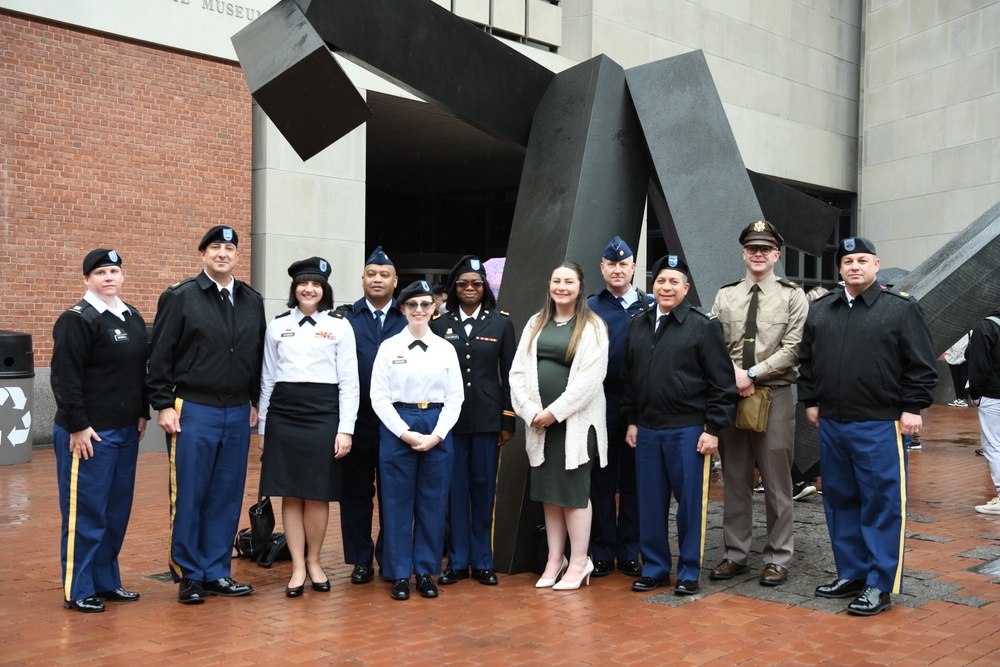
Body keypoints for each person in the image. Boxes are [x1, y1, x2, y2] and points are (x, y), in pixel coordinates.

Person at [798, 237, 936, 616]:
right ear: (839, 269)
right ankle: (852, 572)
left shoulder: (900, 310)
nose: (854, 266)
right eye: (847, 261)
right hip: (833, 424)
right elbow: (806, 360)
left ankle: (880, 583)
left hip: (880, 423)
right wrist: (810, 400)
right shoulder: (822, 310)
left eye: (861, 260)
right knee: (840, 501)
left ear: (876, 265)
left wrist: (912, 407)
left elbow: (921, 365)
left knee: (881, 504)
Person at [147, 225, 266, 605]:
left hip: (235, 411)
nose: (222, 253)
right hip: (193, 408)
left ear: (236, 256)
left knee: (227, 494)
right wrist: (163, 403)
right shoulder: (181, 297)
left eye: (229, 248)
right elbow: (160, 355)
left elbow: (256, 354)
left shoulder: (251, 300)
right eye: (215, 247)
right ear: (203, 254)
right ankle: (188, 574)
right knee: (191, 492)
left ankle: (216, 571)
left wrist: (253, 400)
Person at [622, 255, 735, 596]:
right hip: (647, 429)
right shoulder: (638, 323)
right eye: (660, 281)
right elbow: (629, 379)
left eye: (674, 282)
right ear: (652, 285)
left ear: (686, 288)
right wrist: (631, 421)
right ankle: (655, 568)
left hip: (688, 430)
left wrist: (714, 429)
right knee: (650, 502)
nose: (666, 287)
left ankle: (688, 572)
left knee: (690, 505)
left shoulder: (703, 325)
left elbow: (722, 383)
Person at [709, 221, 807, 587]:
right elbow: (713, 343)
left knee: (777, 481)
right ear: (744, 253)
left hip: (774, 395)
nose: (758, 254)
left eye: (765, 249)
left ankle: (778, 557)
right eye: (752, 248)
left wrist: (752, 374)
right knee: (735, 479)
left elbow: (794, 346)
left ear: (776, 255)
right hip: (732, 396)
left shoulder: (792, 295)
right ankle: (735, 554)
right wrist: (735, 376)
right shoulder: (726, 296)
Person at [51, 249, 149, 613]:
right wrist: (77, 425)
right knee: (86, 512)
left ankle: (106, 581)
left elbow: (138, 372)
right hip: (88, 435)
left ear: (123, 276)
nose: (109, 277)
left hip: (124, 431)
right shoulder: (77, 320)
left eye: (114, 271)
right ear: (87, 280)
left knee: (115, 511)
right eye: (100, 272)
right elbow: (64, 376)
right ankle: (78, 589)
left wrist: (141, 413)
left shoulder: (132, 316)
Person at [257, 257, 360, 597]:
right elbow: (268, 378)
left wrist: (345, 429)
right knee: (290, 490)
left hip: (323, 415)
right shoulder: (278, 325)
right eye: (303, 283)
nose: (309, 289)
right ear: (294, 289)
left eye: (315, 284)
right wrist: (263, 429)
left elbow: (349, 383)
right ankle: (298, 567)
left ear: (324, 290)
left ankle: (314, 561)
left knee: (317, 493)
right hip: (284, 415)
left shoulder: (340, 326)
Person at [509, 262, 609, 591]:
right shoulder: (535, 323)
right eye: (556, 281)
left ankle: (580, 561)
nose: (561, 287)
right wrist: (529, 410)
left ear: (580, 288)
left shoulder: (593, 326)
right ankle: (555, 559)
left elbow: (589, 382)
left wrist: (555, 412)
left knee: (573, 494)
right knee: (550, 496)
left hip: (575, 426)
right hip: (540, 426)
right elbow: (517, 373)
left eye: (569, 281)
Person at [371, 280, 465, 600]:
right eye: (413, 305)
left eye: (426, 305)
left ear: (434, 308)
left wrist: (437, 434)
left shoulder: (446, 349)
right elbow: (379, 397)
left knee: (432, 502)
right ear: (403, 309)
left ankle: (425, 570)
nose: (420, 311)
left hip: (436, 424)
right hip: (399, 424)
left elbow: (456, 398)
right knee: (396, 504)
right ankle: (398, 572)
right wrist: (404, 432)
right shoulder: (389, 348)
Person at [430, 255, 516, 586]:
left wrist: (508, 420)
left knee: (483, 491)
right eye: (463, 283)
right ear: (454, 288)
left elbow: (509, 375)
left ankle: (482, 561)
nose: (470, 288)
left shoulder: (501, 323)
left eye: (476, 283)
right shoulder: (440, 324)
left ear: (485, 288)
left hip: (487, 421)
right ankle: (458, 560)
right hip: (450, 423)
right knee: (454, 492)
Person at [338, 246, 407, 585]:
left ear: (396, 281)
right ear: (362, 279)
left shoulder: (408, 318)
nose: (377, 279)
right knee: (356, 492)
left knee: (394, 492)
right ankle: (361, 559)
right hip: (358, 420)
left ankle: (390, 556)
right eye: (371, 274)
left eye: (384, 275)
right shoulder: (346, 319)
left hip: (398, 421)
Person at [586, 236, 646, 579]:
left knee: (635, 481)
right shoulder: (591, 307)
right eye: (612, 264)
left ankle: (629, 551)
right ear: (603, 268)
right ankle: (604, 551)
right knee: (602, 480)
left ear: (633, 268)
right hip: (601, 402)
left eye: (624, 264)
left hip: (639, 403)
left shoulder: (649, 306)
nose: (618, 269)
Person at [967, 308, 1000, 514]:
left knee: (993, 444)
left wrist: (975, 392)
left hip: (993, 394)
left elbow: (978, 363)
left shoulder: (987, 326)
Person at [945, 331, 973, 408]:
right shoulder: (952, 332)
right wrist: (949, 356)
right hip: (952, 358)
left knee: (964, 378)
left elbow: (970, 344)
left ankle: (964, 399)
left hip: (965, 358)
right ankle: (958, 398)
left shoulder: (969, 332)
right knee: (956, 379)